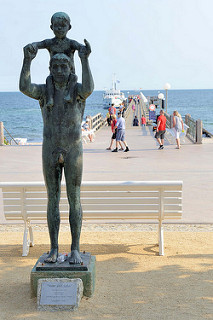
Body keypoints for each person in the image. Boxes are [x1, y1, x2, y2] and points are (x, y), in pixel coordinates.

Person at [19, 39, 94, 264]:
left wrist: (84, 59)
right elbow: (25, 87)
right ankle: (53, 248)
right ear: (50, 70)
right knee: (52, 199)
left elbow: (89, 87)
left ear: (70, 68)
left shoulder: (78, 91)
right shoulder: (44, 93)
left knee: (74, 199)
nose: (59, 71)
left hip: (73, 150)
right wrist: (27, 60)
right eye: (55, 67)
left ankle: (75, 249)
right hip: (50, 148)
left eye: (64, 67)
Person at [25, 12, 86, 107]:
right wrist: (33, 46)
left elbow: (81, 47)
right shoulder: (50, 42)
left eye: (63, 26)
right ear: (51, 27)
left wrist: (85, 50)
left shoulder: (71, 43)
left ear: (69, 27)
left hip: (69, 74)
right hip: (54, 74)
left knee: (74, 78)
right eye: (56, 26)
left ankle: (69, 94)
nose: (59, 28)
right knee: (49, 80)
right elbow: (39, 44)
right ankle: (50, 99)